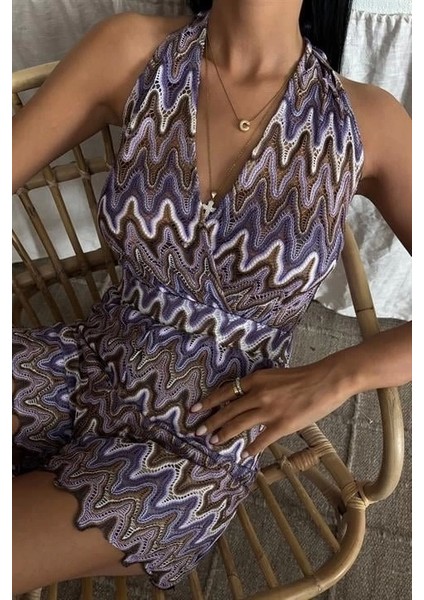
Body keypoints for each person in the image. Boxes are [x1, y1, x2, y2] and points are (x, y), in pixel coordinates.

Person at [12, 0, 412, 594]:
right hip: (84, 365)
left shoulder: (366, 121)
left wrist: (337, 376)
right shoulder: (131, 53)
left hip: (197, 450)